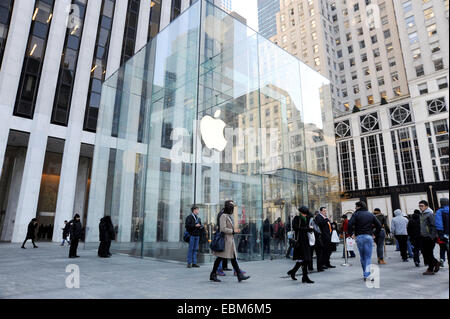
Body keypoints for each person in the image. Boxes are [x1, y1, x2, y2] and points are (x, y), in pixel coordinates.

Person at [210, 200, 250, 283]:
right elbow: (222, 228)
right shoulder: (223, 216)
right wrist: (233, 231)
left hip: (229, 241)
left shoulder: (227, 216)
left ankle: (239, 275)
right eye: (232, 209)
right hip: (226, 241)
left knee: (232, 258)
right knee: (220, 258)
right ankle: (213, 274)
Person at [348, 201, 382, 281]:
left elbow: (349, 224)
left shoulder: (356, 214)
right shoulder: (370, 214)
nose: (355, 208)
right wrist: (374, 234)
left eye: (356, 206)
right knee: (368, 257)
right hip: (368, 236)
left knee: (362, 256)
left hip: (359, 237)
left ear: (359, 206)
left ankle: (366, 274)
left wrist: (351, 234)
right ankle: (367, 274)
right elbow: (379, 225)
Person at [286, 206, 314, 283]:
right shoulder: (296, 218)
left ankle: (294, 272)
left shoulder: (306, 218)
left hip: (305, 241)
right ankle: (304, 277)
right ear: (301, 213)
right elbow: (295, 228)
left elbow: (311, 216)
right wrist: (307, 229)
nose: (306, 215)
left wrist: (309, 228)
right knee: (304, 259)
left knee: (305, 259)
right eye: (305, 214)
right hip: (300, 242)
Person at [418, 200, 439, 275]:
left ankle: (431, 268)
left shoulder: (430, 214)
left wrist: (432, 236)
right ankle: (435, 263)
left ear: (426, 206)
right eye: (419, 206)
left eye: (422, 206)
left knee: (428, 253)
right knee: (425, 252)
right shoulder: (422, 214)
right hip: (423, 236)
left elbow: (434, 225)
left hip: (429, 237)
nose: (420, 207)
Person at [435, 198, 449, 267]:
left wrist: (440, 234)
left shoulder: (439, 211)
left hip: (443, 234)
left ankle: (442, 260)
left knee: (442, 248)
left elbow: (438, 224)